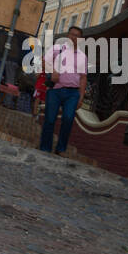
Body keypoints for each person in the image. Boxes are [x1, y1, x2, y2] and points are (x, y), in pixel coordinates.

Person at [39, 25, 87, 156]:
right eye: (71, 34)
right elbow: (44, 62)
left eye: (76, 36)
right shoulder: (57, 49)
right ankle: (45, 148)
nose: (73, 37)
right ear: (68, 36)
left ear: (80, 39)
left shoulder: (82, 56)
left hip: (72, 93)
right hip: (55, 90)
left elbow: (83, 78)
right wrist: (53, 70)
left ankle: (60, 149)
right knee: (49, 119)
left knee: (68, 119)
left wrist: (81, 97)